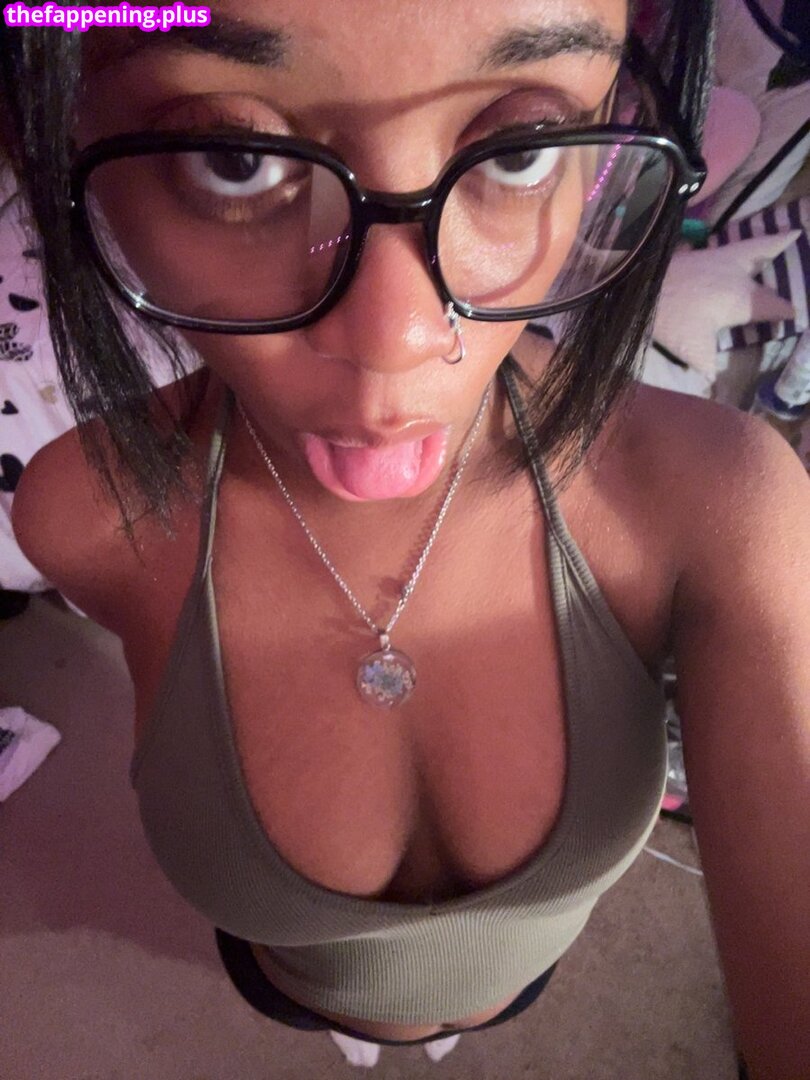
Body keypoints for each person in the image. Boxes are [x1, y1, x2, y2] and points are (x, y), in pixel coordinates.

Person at [2, 1, 808, 1075]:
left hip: (518, 984)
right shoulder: (80, 514)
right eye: (234, 158)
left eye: (519, 150)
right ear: (59, 132)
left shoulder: (719, 504)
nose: (401, 337)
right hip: (283, 980)